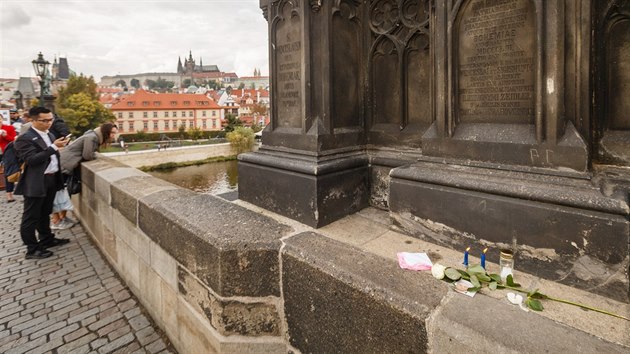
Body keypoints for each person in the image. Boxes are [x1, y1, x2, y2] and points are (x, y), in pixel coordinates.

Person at [14, 107, 71, 259]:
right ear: (32, 120)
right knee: (31, 217)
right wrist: (53, 147)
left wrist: (56, 147)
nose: (48, 123)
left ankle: (46, 239)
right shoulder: (24, 139)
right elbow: (32, 160)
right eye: (44, 120)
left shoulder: (51, 134)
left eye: (50, 119)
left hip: (51, 179)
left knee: (45, 212)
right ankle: (32, 249)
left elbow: (52, 156)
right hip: (36, 181)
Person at [0, 115, 18, 202]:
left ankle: (9, 194)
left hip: (7, 153)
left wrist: (5, 136)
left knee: (8, 171)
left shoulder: (9, 128)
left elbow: (14, 140)